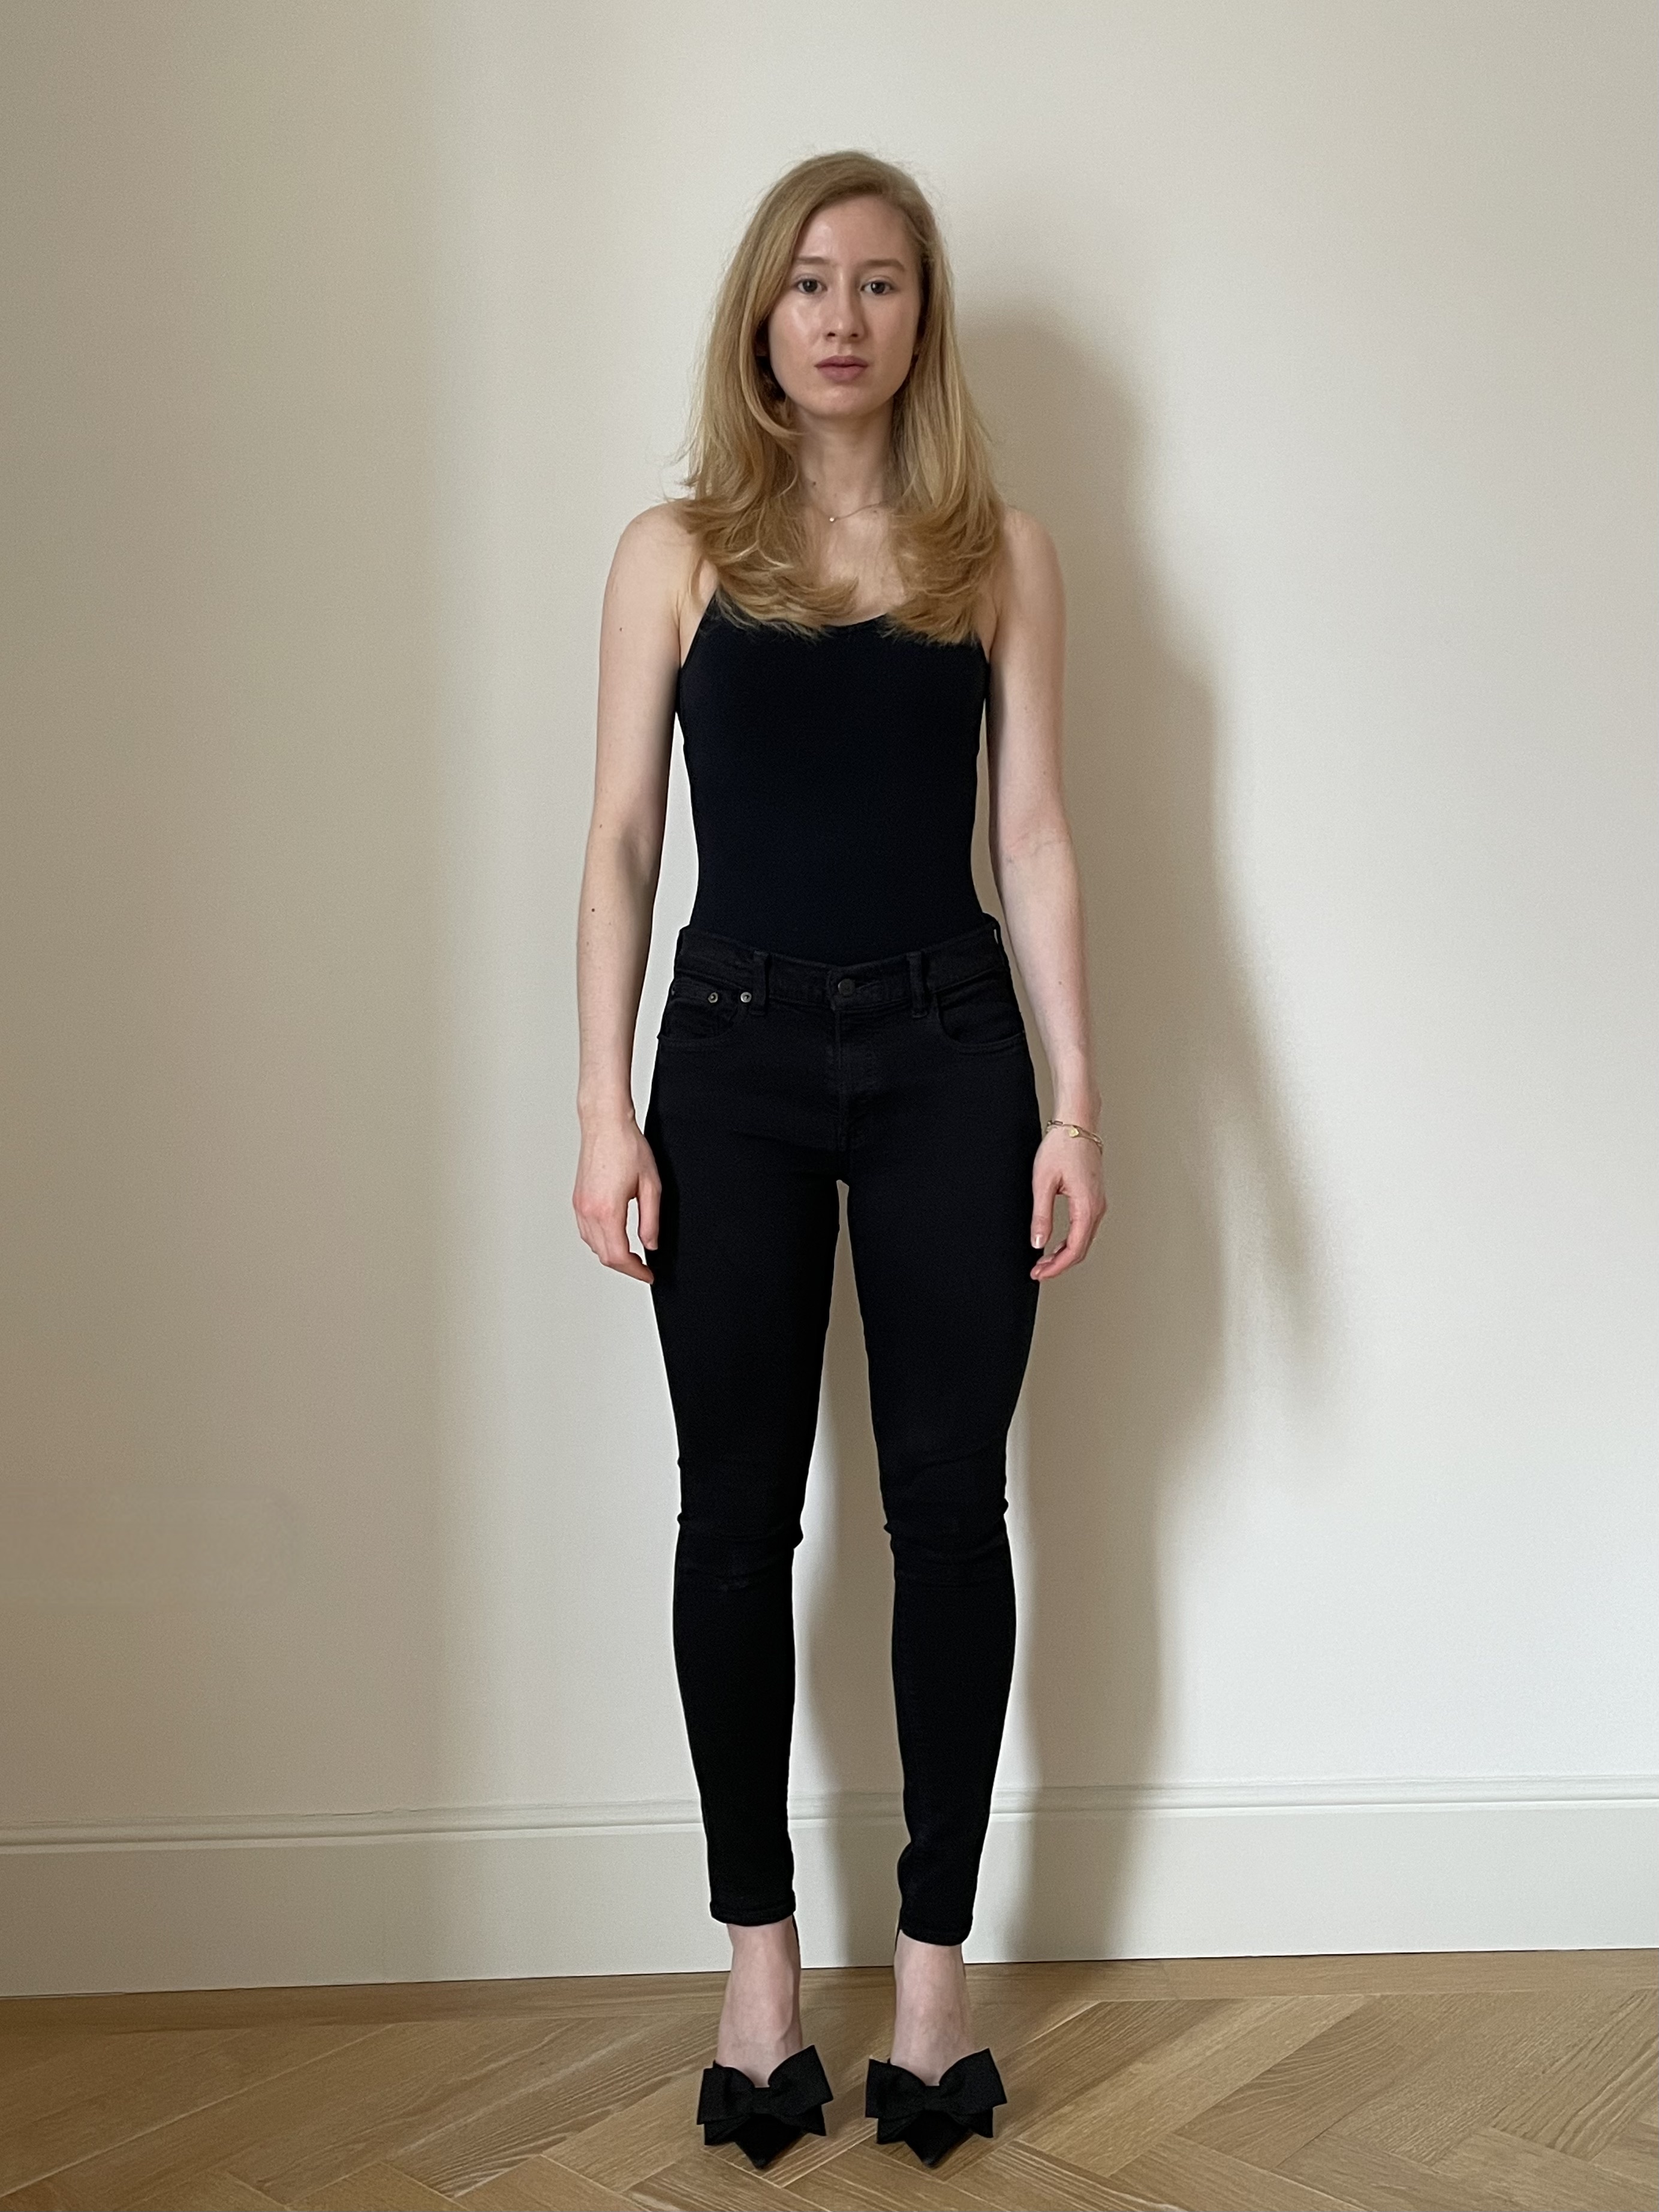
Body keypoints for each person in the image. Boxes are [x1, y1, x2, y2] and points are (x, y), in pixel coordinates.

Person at [573, 149, 1106, 2171]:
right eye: (810, 281)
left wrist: (1075, 1100)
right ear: (760, 314)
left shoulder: (999, 555)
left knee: (950, 1514)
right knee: (735, 1520)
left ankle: (938, 1982)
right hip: (728, 1058)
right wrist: (603, 1102)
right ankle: (762, 1975)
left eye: (881, 283)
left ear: (919, 318)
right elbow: (624, 838)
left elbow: (1032, 836)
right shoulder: (675, 555)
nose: (844, 317)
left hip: (951, 1052)